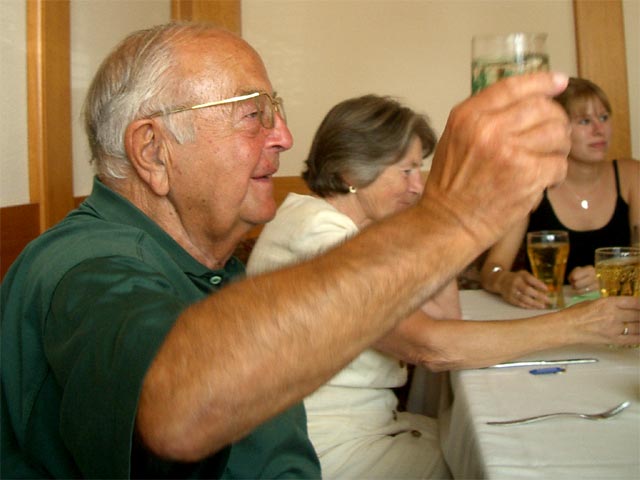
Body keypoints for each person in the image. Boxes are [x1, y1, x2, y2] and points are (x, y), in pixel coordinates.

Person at [1, 21, 632, 479]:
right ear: (152, 151)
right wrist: (454, 215)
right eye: (253, 113)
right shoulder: (82, 266)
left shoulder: (209, 265)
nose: (285, 137)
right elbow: (180, 405)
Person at [246, 94, 640, 479]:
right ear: (351, 173)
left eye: (421, 170)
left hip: (351, 429)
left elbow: (444, 316)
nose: (418, 187)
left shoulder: (342, 228)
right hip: (320, 451)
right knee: (519, 457)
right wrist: (575, 325)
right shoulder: (321, 235)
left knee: (490, 438)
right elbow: (432, 346)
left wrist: (435, 223)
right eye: (407, 171)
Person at [481, 77, 640, 309]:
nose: (599, 130)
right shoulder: (533, 184)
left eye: (604, 118)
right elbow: (492, 268)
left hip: (619, 315)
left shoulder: (631, 175)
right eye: (585, 121)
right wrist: (504, 281)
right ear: (555, 130)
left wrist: (611, 276)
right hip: (548, 315)